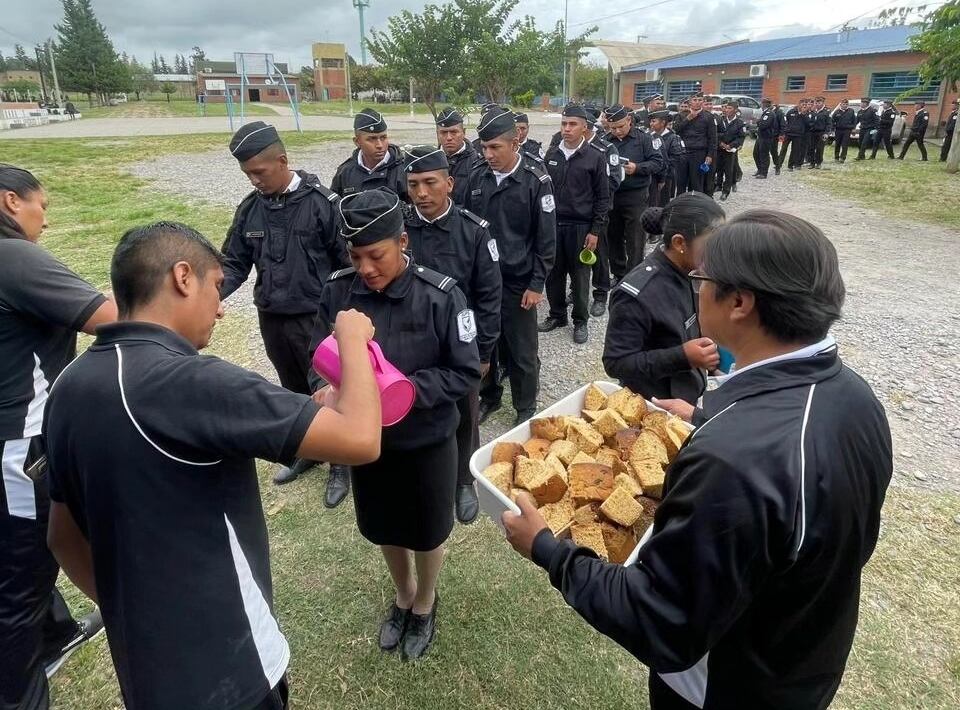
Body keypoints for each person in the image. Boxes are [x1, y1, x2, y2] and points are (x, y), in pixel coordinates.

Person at [504, 209, 893, 710]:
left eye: (701, 279)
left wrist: (548, 549)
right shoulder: (855, 398)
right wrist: (707, 413)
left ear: (738, 302)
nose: (695, 288)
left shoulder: (732, 461)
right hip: (804, 654)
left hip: (727, 685)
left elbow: (661, 623)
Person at [44, 221, 383, 710]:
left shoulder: (69, 386)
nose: (222, 308)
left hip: (146, 668)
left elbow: (61, 537)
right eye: (217, 287)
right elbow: (361, 439)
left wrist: (135, 611)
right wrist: (352, 339)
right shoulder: (193, 381)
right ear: (183, 277)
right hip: (233, 670)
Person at [311, 190, 480, 661]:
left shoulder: (441, 296)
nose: (366, 267)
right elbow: (318, 355)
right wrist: (326, 388)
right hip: (367, 445)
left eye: (377, 255)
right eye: (356, 255)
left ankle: (425, 601)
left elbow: (465, 370)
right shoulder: (339, 292)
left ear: (403, 241)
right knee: (383, 524)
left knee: (427, 530)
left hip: (426, 441)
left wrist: (402, 392)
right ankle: (403, 592)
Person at [0, 165, 115, 710]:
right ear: (10, 202)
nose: (44, 217)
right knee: (20, 579)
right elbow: (111, 317)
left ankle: (56, 631)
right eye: (39, 205)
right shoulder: (14, 258)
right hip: (18, 449)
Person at [219, 122, 351, 492]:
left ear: (282, 160)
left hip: (316, 320)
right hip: (272, 317)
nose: (254, 181)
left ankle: (341, 466)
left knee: (329, 390)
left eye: (259, 172)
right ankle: (308, 450)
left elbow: (347, 266)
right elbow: (233, 263)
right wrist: (210, 297)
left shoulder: (323, 205)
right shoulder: (250, 210)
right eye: (247, 175)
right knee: (293, 389)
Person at [402, 146, 502, 524]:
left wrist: (485, 351)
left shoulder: (474, 231)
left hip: (461, 343)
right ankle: (418, 472)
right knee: (410, 408)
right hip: (412, 338)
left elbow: (489, 296)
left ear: (450, 183)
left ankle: (463, 480)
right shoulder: (399, 229)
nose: (422, 193)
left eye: (430, 183)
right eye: (413, 185)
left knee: (464, 413)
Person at [465, 108, 556, 426]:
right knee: (486, 341)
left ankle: (525, 406)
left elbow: (546, 239)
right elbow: (468, 225)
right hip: (484, 280)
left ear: (514, 142)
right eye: (484, 147)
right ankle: (490, 396)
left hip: (519, 282)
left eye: (495, 148)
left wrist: (536, 284)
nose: (488, 154)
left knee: (522, 349)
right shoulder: (477, 176)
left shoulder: (535, 180)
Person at [602, 193, 723, 404]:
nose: (718, 252)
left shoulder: (690, 270)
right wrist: (682, 356)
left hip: (688, 390)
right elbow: (616, 363)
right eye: (712, 244)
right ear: (679, 243)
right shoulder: (637, 294)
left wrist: (708, 363)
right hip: (655, 406)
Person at [539, 105, 610, 345]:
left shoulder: (594, 157)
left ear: (584, 128)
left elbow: (603, 197)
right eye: (564, 124)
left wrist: (595, 230)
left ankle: (581, 321)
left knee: (580, 277)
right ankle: (557, 315)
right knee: (553, 274)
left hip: (581, 228)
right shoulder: (551, 155)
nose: (567, 129)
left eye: (572, 125)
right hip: (553, 225)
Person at [600, 103, 666, 307]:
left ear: (629, 120)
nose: (617, 131)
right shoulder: (605, 142)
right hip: (613, 196)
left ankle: (635, 278)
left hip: (636, 196)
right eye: (612, 127)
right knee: (614, 236)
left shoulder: (644, 139)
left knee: (636, 239)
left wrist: (637, 168)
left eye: (620, 126)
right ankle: (619, 274)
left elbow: (658, 163)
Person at [331, 108, 409, 201]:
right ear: (357, 141)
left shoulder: (404, 170)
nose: (380, 145)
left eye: (383, 137)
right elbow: (334, 209)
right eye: (372, 139)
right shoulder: (345, 172)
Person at [674, 93, 717, 194]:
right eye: (694, 100)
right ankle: (680, 205)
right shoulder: (682, 115)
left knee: (696, 182)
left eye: (700, 100)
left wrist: (710, 155)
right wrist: (688, 119)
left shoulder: (708, 116)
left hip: (699, 153)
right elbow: (675, 130)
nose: (697, 102)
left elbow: (712, 138)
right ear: (689, 102)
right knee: (681, 181)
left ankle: (695, 205)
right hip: (683, 153)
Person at [435, 107, 478, 205]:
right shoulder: (430, 162)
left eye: (454, 132)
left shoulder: (476, 162)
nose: (449, 138)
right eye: (443, 133)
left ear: (463, 132)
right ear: (437, 134)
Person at [648, 110, 684, 205]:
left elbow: (676, 159)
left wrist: (663, 170)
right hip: (652, 176)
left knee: (662, 204)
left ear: (663, 122)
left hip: (666, 177)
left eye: (654, 121)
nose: (651, 124)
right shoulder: (648, 136)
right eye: (651, 121)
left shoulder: (672, 137)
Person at [715, 100, 746, 200]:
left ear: (735, 110)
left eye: (729, 108)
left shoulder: (739, 123)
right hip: (719, 148)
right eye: (726, 108)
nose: (727, 110)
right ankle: (718, 185)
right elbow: (715, 133)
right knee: (718, 169)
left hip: (730, 151)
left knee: (728, 171)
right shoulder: (721, 120)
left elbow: (741, 137)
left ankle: (726, 191)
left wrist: (731, 145)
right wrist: (721, 143)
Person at [753, 98, 779, 178]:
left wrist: (757, 121)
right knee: (756, 153)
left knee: (764, 154)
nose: (761, 105)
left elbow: (764, 125)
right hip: (761, 136)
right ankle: (760, 169)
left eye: (762, 103)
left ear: (765, 104)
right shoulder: (765, 113)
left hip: (766, 137)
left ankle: (764, 173)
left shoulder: (769, 113)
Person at [779, 99, 808, 171]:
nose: (803, 105)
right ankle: (778, 164)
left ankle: (790, 166)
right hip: (788, 133)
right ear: (799, 104)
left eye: (805, 104)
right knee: (783, 149)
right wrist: (785, 131)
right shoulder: (791, 111)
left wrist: (803, 114)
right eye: (802, 104)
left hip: (798, 135)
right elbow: (787, 121)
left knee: (794, 151)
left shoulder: (806, 114)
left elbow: (807, 124)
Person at [806, 97, 830, 168]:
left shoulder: (826, 112)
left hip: (822, 133)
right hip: (813, 133)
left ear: (822, 103)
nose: (817, 104)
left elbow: (829, 124)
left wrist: (826, 133)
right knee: (811, 148)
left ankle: (818, 163)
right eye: (816, 103)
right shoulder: (813, 112)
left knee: (820, 148)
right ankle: (812, 163)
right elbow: (810, 122)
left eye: (819, 103)